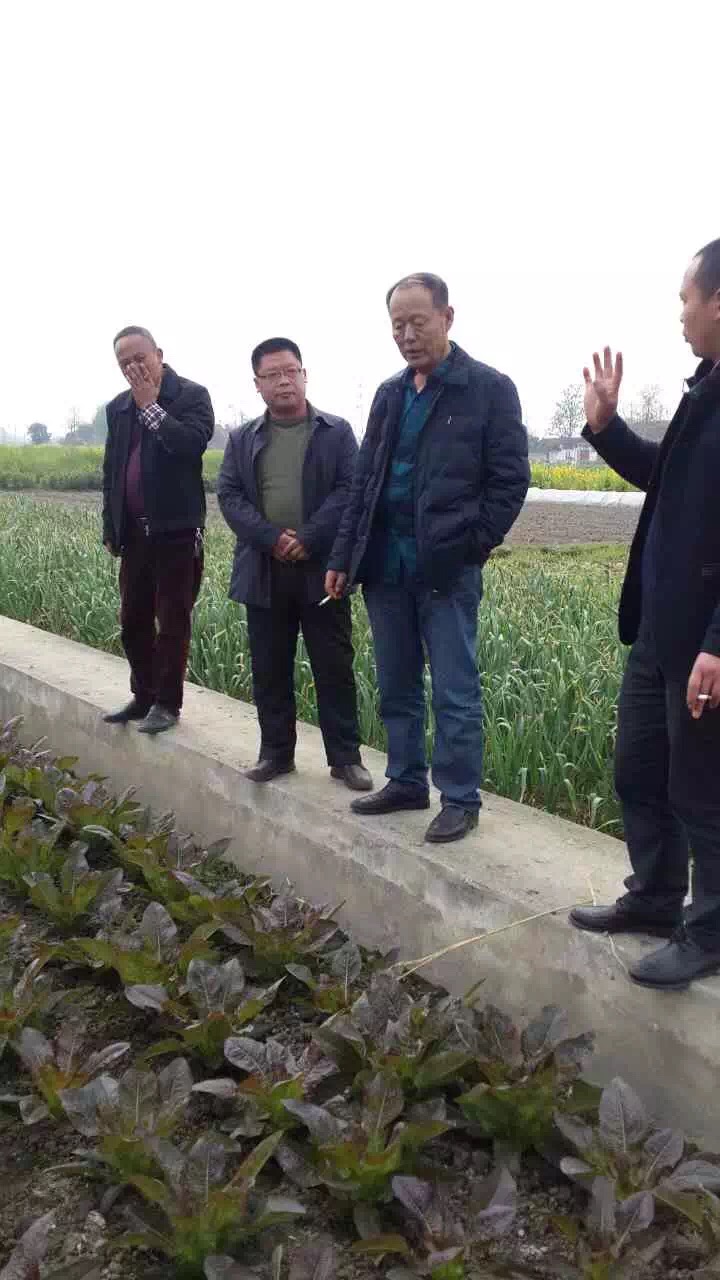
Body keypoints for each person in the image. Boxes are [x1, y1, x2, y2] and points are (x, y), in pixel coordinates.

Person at [325, 273, 529, 842]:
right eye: (398, 326)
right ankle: (407, 780)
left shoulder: (488, 389)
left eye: (418, 322)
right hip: (385, 567)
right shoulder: (390, 394)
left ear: (447, 317)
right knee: (396, 683)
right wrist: (343, 555)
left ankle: (460, 798)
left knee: (455, 690)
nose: (408, 336)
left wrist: (471, 547)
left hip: (445, 570)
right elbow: (365, 483)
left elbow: (510, 482)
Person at [570, 238, 720, 990]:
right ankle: (657, 897)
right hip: (662, 631)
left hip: (705, 641)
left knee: (704, 790)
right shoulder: (707, 389)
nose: (680, 315)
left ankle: (710, 930)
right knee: (640, 769)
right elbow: (667, 479)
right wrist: (605, 427)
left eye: (686, 300)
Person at [217, 337, 372, 792]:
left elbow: (350, 489)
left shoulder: (336, 432)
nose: (283, 381)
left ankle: (346, 759)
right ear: (257, 384)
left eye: (291, 371)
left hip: (323, 569)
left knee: (333, 666)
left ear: (305, 375)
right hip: (263, 570)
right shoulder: (242, 438)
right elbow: (229, 495)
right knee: (269, 667)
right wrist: (272, 539)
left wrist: (308, 538)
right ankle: (276, 754)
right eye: (272, 375)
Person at [102, 326, 214, 735]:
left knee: (171, 621)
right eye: (124, 363)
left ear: (159, 355)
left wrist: (150, 406)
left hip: (177, 532)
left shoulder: (191, 396)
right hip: (134, 535)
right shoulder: (118, 408)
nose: (133, 368)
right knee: (132, 619)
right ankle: (143, 695)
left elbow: (189, 445)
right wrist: (111, 525)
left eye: (140, 358)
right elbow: (113, 471)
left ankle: (167, 703)